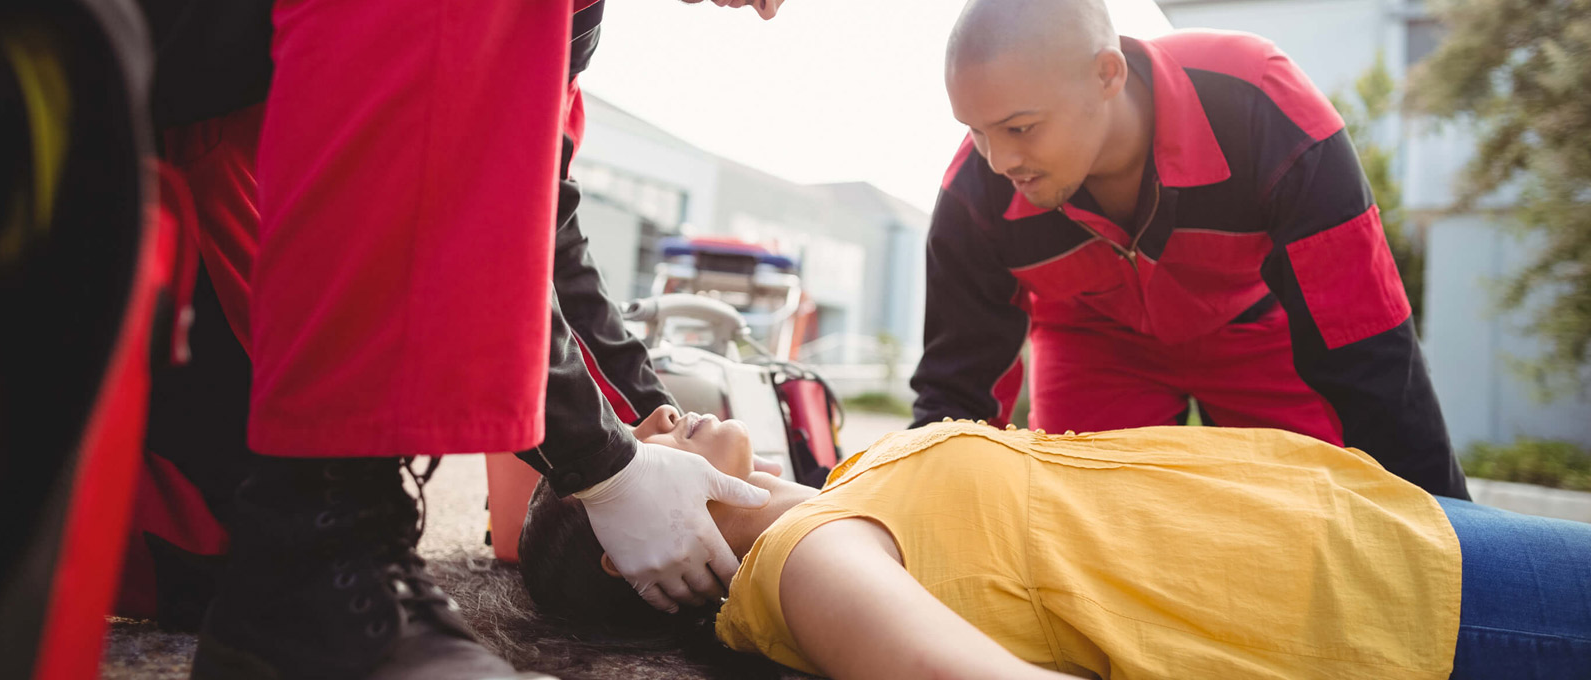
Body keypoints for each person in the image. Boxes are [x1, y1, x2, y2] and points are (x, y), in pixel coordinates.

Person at [0, 0, 912, 678]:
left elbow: (535, 234)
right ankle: (324, 545)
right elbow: (454, 198)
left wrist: (636, 430)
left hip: (143, 81)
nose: (771, 5)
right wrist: (600, 471)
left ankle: (303, 566)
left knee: (217, 544)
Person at [910, 0, 1467, 498]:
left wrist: (1465, 549)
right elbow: (955, 395)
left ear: (1107, 73)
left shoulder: (1265, 109)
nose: (1000, 159)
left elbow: (1366, 348)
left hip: (1254, 327)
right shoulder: (973, 191)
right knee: (1088, 529)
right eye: (977, 131)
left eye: (1020, 127)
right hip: (1093, 341)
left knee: (1316, 514)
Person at [521, 406, 1591, 680]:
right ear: (634, 551)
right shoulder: (814, 561)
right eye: (631, 457)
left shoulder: (827, 497)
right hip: (1370, 600)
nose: (653, 425)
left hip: (1367, 523)